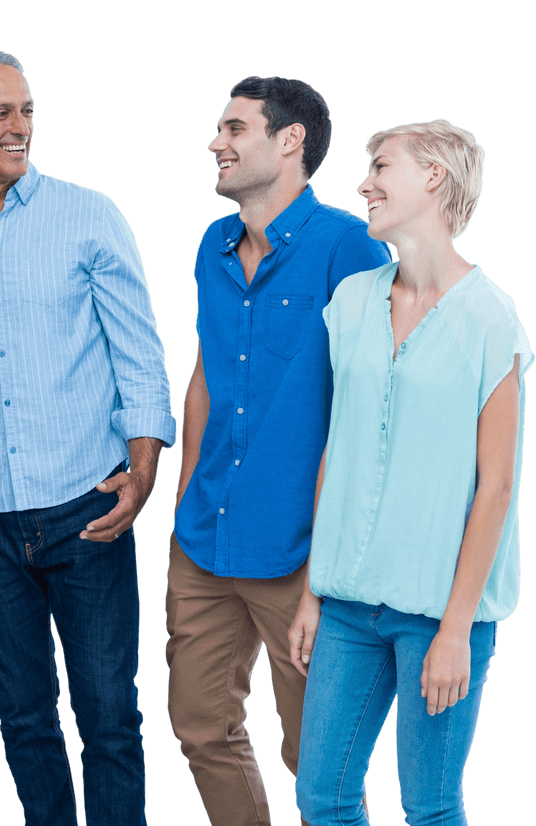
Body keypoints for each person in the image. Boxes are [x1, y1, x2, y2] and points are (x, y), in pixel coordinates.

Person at [0, 50, 176, 826]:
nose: (21, 127)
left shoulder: (90, 215)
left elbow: (139, 352)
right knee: (22, 718)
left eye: (27, 110)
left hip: (90, 504)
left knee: (110, 716)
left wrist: (142, 469)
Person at [289, 120, 528, 826]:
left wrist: (457, 629)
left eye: (380, 166)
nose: (364, 184)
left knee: (428, 806)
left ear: (433, 178)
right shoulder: (352, 303)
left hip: (440, 612)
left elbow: (499, 484)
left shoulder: (491, 318)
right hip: (348, 605)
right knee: (321, 795)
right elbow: (339, 444)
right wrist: (312, 591)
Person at [167, 76, 391, 825]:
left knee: (316, 755)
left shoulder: (350, 247)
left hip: (301, 548)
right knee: (201, 726)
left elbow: (373, 406)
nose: (215, 144)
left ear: (287, 141)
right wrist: (185, 487)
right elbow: (205, 372)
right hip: (204, 539)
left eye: (234, 129)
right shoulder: (213, 243)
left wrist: (339, 556)